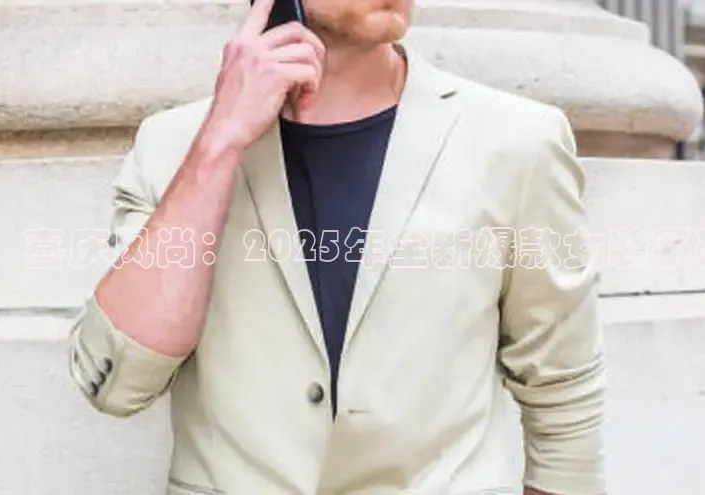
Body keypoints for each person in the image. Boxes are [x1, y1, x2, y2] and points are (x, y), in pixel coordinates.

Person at [67, 0, 606, 493]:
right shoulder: (174, 145)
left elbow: (563, 388)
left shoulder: (516, 141)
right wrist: (220, 144)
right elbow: (119, 385)